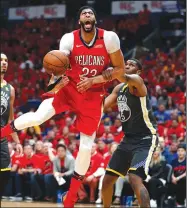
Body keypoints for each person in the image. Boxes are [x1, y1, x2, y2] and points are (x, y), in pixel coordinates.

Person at [1, 6, 125, 207]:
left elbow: (120, 69)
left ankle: (72, 196)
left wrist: (95, 80)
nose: (87, 14)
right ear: (79, 21)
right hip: (70, 89)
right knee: (39, 116)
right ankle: (2, 132)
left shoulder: (109, 38)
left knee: (85, 147)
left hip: (93, 96)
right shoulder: (69, 38)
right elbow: (59, 64)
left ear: (95, 19)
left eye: (90, 13)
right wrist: (56, 80)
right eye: (83, 13)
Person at [102, 58, 158, 208]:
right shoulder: (119, 88)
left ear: (138, 72)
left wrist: (113, 72)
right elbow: (103, 106)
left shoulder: (138, 83)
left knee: (135, 178)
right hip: (127, 140)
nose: (127, 66)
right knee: (107, 180)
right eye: (125, 64)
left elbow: (124, 77)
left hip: (145, 140)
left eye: (131, 65)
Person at [0, 53, 23, 198]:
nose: (4, 63)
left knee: (5, 172)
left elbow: (10, 119)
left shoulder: (10, 90)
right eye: (1, 60)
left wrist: (17, 141)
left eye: (6, 60)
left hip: (2, 136)